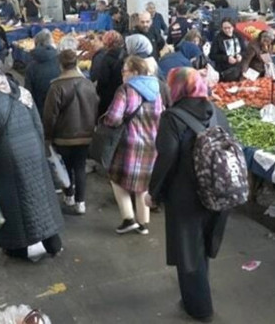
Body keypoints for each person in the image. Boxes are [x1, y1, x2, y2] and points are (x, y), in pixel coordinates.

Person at [149, 68, 229, 322]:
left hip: (186, 196)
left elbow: (166, 157)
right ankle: (199, 290)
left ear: (176, 88)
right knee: (203, 245)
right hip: (218, 190)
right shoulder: (216, 112)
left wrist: (154, 192)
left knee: (188, 252)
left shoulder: (172, 118)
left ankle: (199, 308)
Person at [0, 66, 64, 259]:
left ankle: (17, 247)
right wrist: (40, 152)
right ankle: (53, 243)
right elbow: (39, 127)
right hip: (33, 151)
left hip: (7, 161)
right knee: (40, 199)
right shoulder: (23, 94)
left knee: (15, 206)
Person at [104, 56, 164, 235]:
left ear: (135, 72)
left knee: (117, 181)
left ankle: (128, 218)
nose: (122, 74)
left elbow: (114, 118)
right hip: (151, 143)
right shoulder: (157, 90)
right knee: (142, 185)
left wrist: (107, 121)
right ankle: (143, 224)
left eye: (125, 70)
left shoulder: (125, 90)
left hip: (129, 144)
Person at [43, 50, 99, 215]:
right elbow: (96, 106)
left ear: (60, 65)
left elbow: (49, 115)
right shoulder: (88, 84)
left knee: (65, 167)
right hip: (85, 135)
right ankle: (81, 203)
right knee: (80, 167)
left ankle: (69, 196)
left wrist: (48, 136)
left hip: (63, 137)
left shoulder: (56, 87)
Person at [24, 29, 61, 111]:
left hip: (40, 109)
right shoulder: (61, 61)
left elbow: (28, 94)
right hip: (60, 107)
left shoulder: (31, 67)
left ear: (36, 44)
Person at [95, 31, 126, 116]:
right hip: (123, 92)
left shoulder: (107, 58)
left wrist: (97, 91)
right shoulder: (125, 54)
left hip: (108, 96)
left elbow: (103, 80)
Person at [209, 17, 246, 82]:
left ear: (233, 27)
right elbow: (212, 55)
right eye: (224, 28)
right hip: (225, 71)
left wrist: (240, 55)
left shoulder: (238, 36)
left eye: (229, 28)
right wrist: (226, 58)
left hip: (239, 68)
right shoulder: (218, 38)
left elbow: (244, 50)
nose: (227, 30)